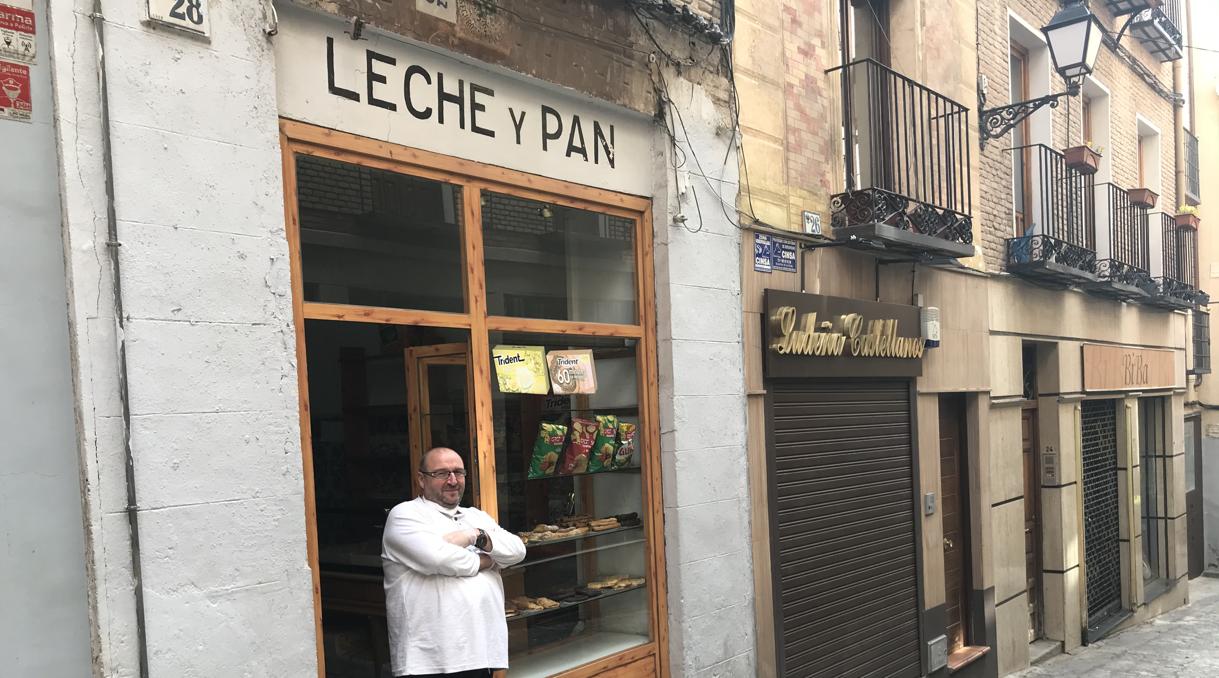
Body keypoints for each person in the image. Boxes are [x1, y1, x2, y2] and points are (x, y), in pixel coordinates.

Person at [382, 447, 526, 678]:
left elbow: (517, 550)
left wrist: (475, 534)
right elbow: (438, 558)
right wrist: (488, 560)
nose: (452, 480)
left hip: (481, 654)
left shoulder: (476, 516)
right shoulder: (405, 515)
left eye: (458, 472)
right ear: (421, 479)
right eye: (441, 473)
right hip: (431, 660)